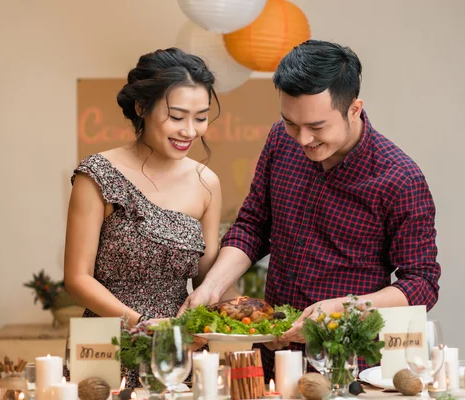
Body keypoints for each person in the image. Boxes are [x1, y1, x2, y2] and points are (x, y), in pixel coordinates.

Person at [179, 40, 442, 379]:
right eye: (291, 123)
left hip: (346, 361)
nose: (303, 139)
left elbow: (422, 282)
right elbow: (253, 225)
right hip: (274, 353)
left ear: (354, 108)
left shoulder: (399, 178)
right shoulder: (280, 140)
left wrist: (341, 310)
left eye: (317, 127)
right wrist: (212, 286)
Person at [64, 47, 237, 386]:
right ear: (142, 107)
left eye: (200, 117)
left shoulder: (206, 182)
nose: (190, 131)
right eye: (177, 117)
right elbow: (77, 278)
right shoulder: (97, 174)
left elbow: (208, 280)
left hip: (177, 344)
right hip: (104, 339)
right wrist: (141, 323)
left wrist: (246, 319)